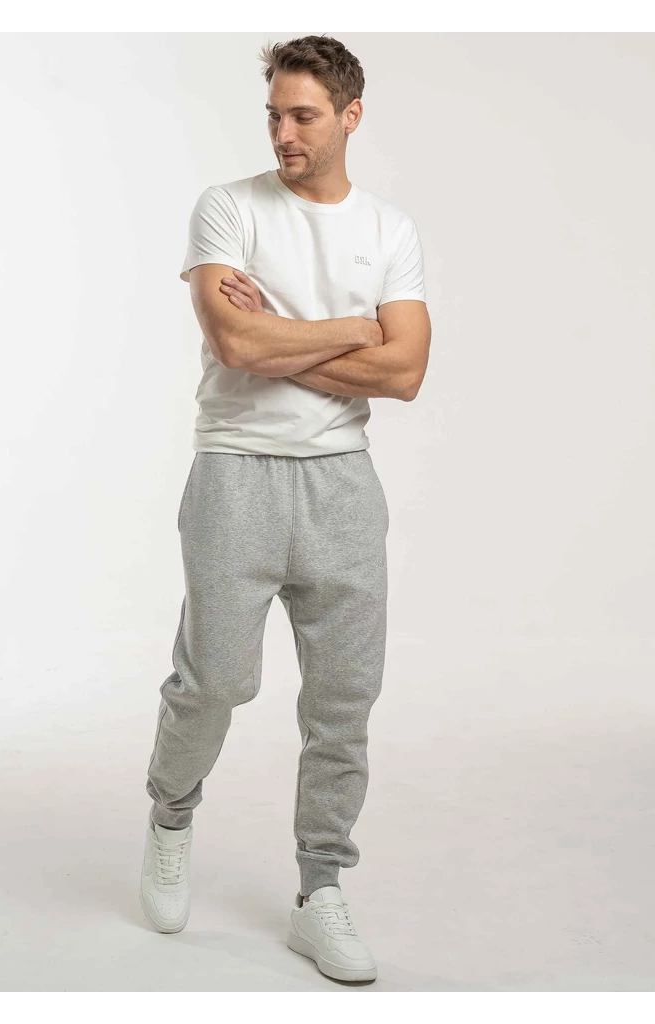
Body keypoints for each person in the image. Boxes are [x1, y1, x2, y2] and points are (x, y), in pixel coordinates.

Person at [140, 33, 432, 984]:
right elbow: (236, 347)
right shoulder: (228, 208)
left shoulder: (388, 230)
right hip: (235, 474)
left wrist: (283, 331)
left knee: (344, 700)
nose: (283, 133)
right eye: (274, 114)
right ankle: (170, 815)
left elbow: (407, 371)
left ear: (351, 116)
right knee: (216, 681)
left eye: (303, 115)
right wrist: (353, 328)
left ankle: (320, 891)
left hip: (342, 484)